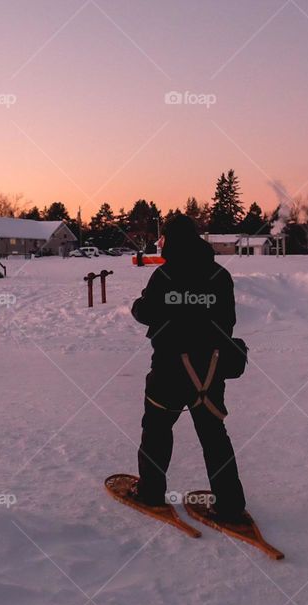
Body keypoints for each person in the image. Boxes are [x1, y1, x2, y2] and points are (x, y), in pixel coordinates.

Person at [130, 214, 247, 522]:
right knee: (214, 436)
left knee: (156, 431)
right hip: (209, 371)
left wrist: (139, 307)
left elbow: (146, 312)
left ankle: (151, 492)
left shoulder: (164, 276)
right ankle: (230, 505)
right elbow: (227, 322)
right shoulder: (219, 276)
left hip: (168, 370)